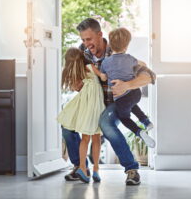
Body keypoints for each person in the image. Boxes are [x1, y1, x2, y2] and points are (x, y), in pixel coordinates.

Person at [62, 18, 155, 185]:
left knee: (106, 124)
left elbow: (148, 75)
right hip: (91, 103)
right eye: (83, 40)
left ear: (99, 35)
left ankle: (131, 169)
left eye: (89, 39)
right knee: (67, 126)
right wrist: (77, 84)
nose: (86, 43)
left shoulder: (118, 51)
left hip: (115, 102)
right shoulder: (82, 53)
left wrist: (127, 84)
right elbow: (78, 79)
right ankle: (80, 167)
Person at [93, 27, 156, 148]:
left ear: (110, 45)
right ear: (126, 45)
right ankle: (146, 121)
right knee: (132, 104)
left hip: (120, 98)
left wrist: (104, 77)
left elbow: (103, 77)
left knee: (124, 117)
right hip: (135, 93)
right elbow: (143, 64)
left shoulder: (106, 62)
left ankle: (139, 132)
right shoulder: (130, 59)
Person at [57, 47, 105, 183]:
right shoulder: (85, 66)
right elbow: (100, 77)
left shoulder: (83, 68)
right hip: (91, 103)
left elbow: (79, 87)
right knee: (92, 137)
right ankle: (88, 168)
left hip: (91, 105)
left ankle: (84, 167)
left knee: (89, 137)